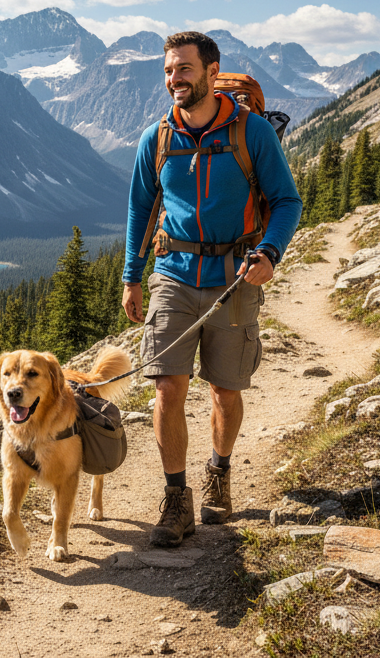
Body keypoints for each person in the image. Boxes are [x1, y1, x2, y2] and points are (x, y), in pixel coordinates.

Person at [121, 31, 302, 547]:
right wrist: (132, 277)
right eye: (168, 71)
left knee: (225, 388)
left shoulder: (251, 132)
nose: (174, 79)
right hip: (173, 274)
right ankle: (176, 498)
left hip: (235, 276)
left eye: (184, 68)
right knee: (166, 387)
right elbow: (140, 208)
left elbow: (286, 201)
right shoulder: (157, 138)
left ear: (211, 71)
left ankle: (219, 472)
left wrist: (269, 252)